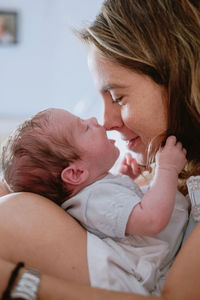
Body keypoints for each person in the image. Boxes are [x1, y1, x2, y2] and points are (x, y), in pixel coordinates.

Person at [0, 0, 199, 299]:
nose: (105, 122)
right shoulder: (158, 170)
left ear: (177, 79)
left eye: (118, 98)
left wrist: (17, 283)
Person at [1, 107, 187, 295]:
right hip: (144, 276)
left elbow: (117, 216)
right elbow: (151, 220)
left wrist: (126, 181)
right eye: (84, 128)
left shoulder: (93, 194)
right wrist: (167, 169)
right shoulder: (96, 199)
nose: (94, 120)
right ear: (76, 173)